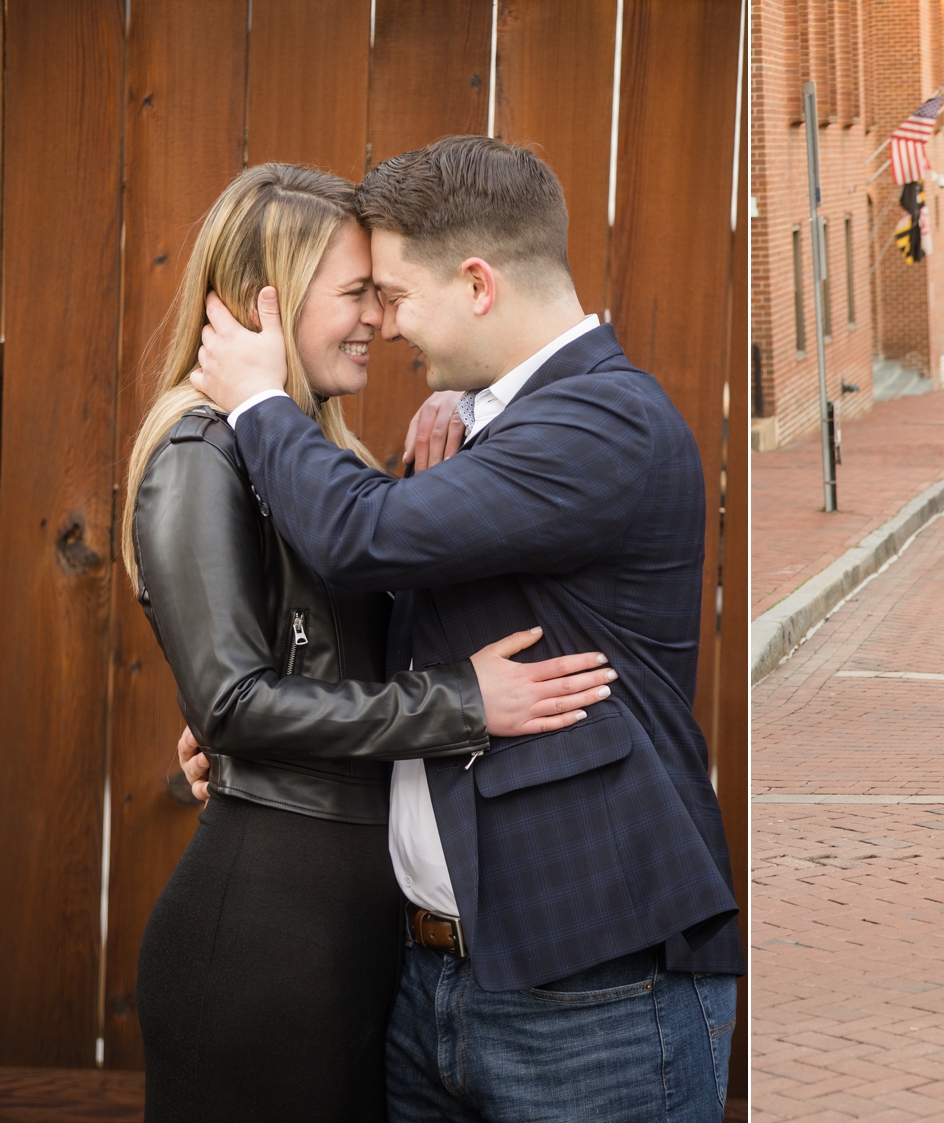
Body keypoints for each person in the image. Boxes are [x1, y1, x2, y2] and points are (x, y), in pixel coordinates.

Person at [189, 136, 742, 1123]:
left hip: (591, 989)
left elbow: (364, 536)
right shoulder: (496, 422)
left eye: (396, 295)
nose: (386, 325)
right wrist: (259, 734)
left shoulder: (605, 421)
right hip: (430, 982)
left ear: (478, 283)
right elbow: (411, 641)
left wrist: (258, 399)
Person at [126, 165, 616, 1123]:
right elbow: (233, 702)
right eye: (356, 295)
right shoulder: (197, 455)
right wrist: (461, 703)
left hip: (351, 939)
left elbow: (304, 671)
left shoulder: (315, 461)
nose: (378, 323)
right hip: (265, 935)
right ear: (265, 303)